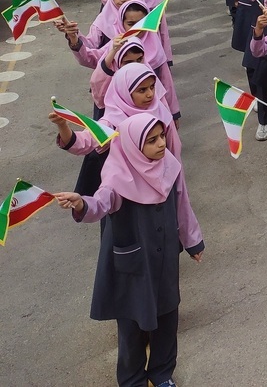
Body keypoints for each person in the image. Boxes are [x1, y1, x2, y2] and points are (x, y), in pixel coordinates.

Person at [54, 112, 203, 387]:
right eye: (152, 140)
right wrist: (81, 203)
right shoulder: (117, 176)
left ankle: (162, 374)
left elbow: (183, 204)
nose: (161, 144)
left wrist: (192, 240)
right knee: (133, 325)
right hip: (134, 266)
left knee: (168, 317)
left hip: (166, 260)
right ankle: (132, 379)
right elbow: (101, 202)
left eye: (161, 137)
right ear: (133, 145)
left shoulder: (169, 165)